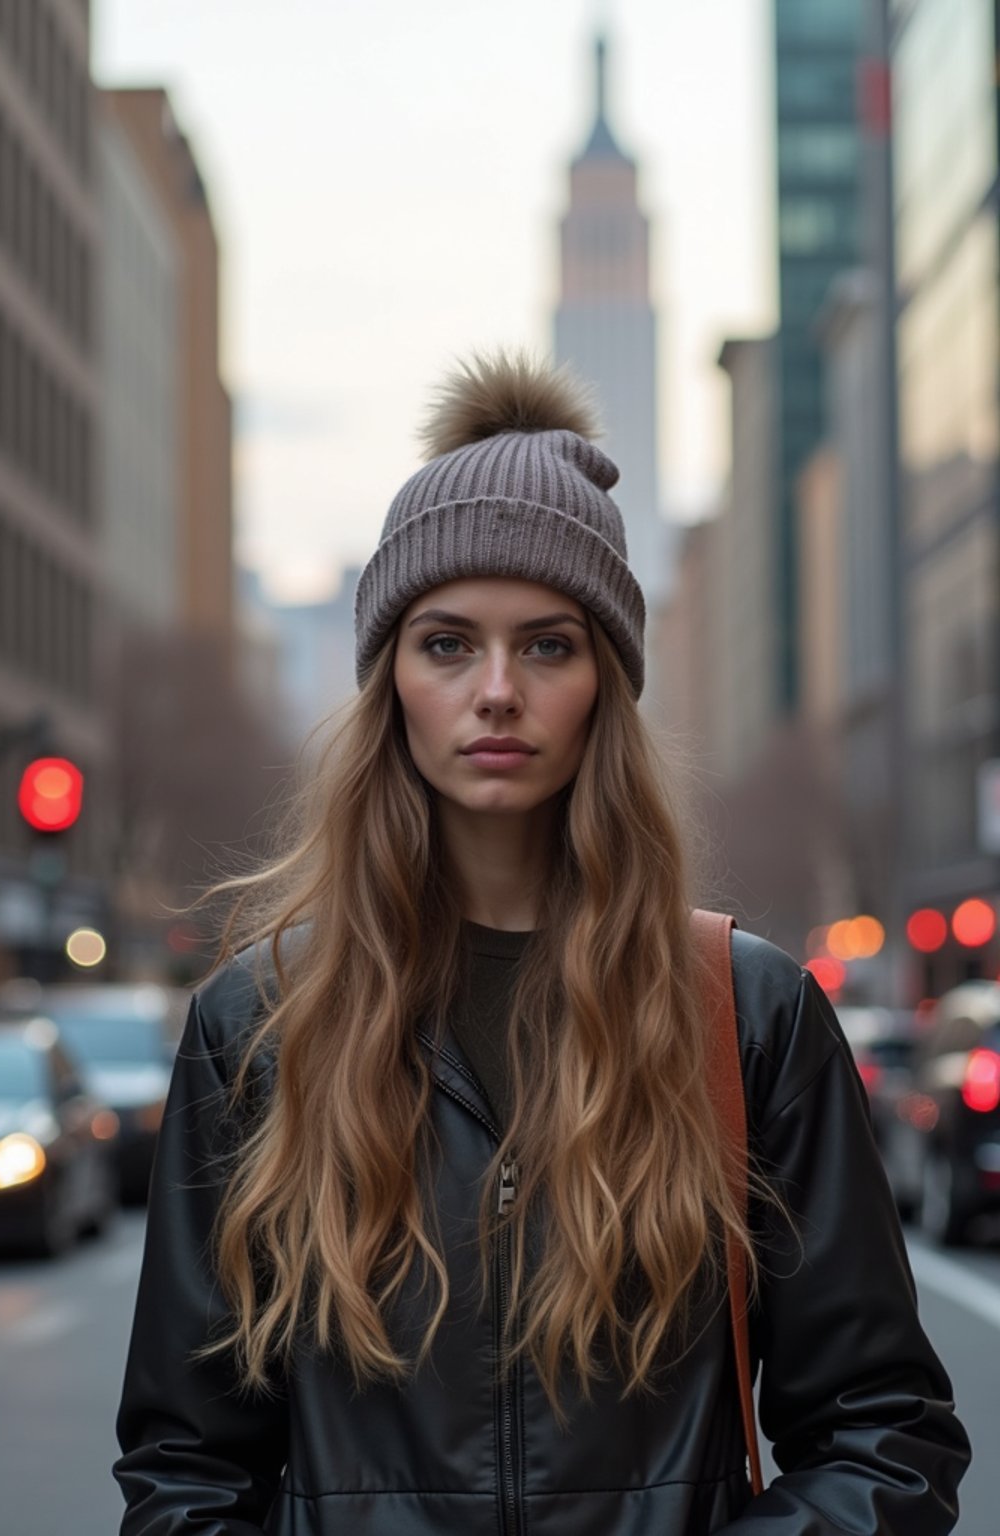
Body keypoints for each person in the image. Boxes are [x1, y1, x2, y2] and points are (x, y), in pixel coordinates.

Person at [113, 352, 970, 1535]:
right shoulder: (258, 1023)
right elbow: (185, 1469)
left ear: (604, 685)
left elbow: (884, 1435)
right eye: (449, 642)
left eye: (550, 645)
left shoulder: (746, 1010)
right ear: (391, 680)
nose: (498, 690)